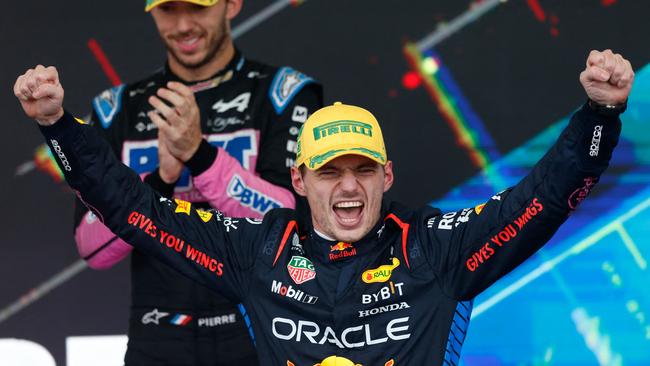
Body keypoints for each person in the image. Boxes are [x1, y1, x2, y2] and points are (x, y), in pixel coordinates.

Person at [15, 49, 632, 365]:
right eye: (330, 172)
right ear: (301, 179)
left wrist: (601, 115)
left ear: (386, 175)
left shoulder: (434, 246)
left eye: (363, 170)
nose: (348, 187)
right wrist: (56, 125)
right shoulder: (259, 248)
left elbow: (545, 198)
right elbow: (131, 210)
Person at [71, 0, 322, 364]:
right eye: (168, 9)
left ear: (232, 5)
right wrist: (161, 180)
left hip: (261, 329)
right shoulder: (116, 109)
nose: (184, 24)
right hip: (157, 335)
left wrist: (199, 154)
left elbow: (293, 222)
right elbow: (90, 246)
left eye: (198, 7)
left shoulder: (284, 94)